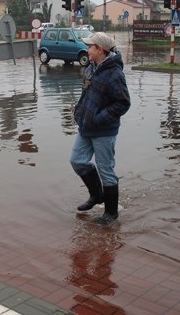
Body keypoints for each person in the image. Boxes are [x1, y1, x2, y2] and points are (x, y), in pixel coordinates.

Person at [70, 32, 131, 223]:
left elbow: (123, 103)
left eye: (90, 46)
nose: (87, 49)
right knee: (77, 160)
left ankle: (111, 213)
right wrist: (79, 112)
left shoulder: (115, 73)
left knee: (106, 170)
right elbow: (86, 95)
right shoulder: (91, 68)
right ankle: (97, 196)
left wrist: (98, 118)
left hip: (104, 130)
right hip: (86, 126)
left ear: (100, 49)